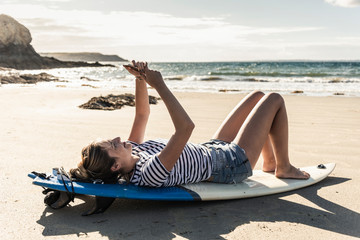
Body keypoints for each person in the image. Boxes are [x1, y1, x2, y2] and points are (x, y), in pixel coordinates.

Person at [70, 61, 309, 187]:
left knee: (257, 96)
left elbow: (142, 115)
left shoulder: (134, 153)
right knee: (274, 99)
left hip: (211, 149)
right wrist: (160, 85)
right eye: (113, 145)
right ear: (114, 167)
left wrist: (141, 80)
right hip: (230, 164)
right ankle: (283, 167)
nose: (117, 139)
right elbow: (185, 128)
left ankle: (268, 162)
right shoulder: (148, 172)